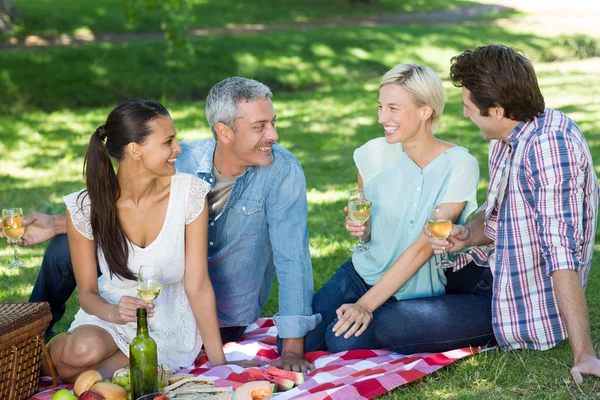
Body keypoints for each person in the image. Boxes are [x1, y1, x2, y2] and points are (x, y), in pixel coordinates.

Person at [7, 77, 317, 372]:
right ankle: (24, 337)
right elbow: (123, 204)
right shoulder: (180, 161)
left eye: (272, 122)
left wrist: (291, 348)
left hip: (212, 310)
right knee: (63, 249)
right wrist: (61, 223)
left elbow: (293, 258)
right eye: (260, 126)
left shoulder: (280, 171)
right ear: (224, 132)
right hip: (138, 289)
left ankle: (70, 360)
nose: (274, 134)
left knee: (114, 365)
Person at [427, 44, 600, 383]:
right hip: (493, 268)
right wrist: (468, 234)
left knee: (395, 326)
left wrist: (585, 354)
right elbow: (495, 223)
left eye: (467, 107)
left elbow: (561, 253)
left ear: (496, 110)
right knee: (404, 284)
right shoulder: (507, 139)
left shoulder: (550, 147)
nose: (464, 114)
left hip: (521, 299)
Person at [303, 63, 484, 353]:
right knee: (298, 340)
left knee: (338, 341)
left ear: (426, 111)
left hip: (412, 293)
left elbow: (425, 247)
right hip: (359, 274)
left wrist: (365, 305)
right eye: (380, 107)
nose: (382, 117)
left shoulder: (460, 165)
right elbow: (365, 233)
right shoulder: (371, 154)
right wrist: (362, 230)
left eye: (393, 108)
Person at [44, 99, 226, 381]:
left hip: (167, 322)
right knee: (77, 353)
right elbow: (88, 294)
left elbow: (198, 285)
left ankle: (103, 366)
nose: (178, 148)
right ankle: (39, 358)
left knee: (91, 375)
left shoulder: (189, 194)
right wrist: (115, 313)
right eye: (168, 141)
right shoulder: (84, 207)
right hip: (112, 312)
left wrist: (219, 366)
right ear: (135, 150)